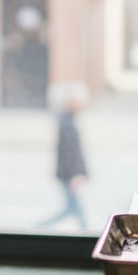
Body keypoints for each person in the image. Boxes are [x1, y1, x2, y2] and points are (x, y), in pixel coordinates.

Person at [42, 87, 89, 229]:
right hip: (69, 174)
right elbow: (69, 152)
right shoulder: (66, 123)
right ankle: (37, 228)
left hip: (68, 173)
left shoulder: (67, 120)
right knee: (75, 209)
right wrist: (75, 174)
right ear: (70, 103)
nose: (82, 105)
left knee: (71, 209)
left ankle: (38, 228)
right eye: (79, 102)